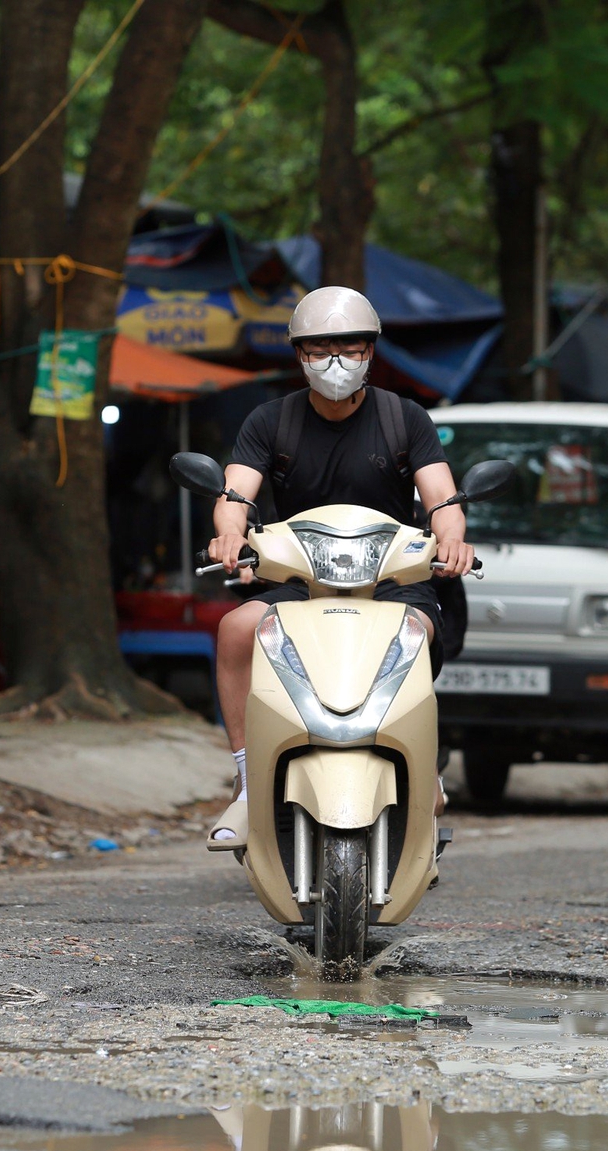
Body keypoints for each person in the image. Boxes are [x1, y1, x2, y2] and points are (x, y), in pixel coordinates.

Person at [203, 286, 473, 847]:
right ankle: (249, 776)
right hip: (300, 582)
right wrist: (229, 533)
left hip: (393, 582)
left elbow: (442, 498)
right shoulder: (269, 422)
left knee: (415, 636)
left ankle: (422, 760)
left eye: (350, 345)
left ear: (370, 350)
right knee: (234, 630)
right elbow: (236, 492)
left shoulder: (406, 419)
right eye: (319, 346)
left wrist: (452, 543)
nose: (335, 359)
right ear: (298, 354)